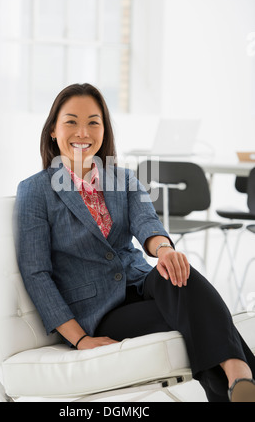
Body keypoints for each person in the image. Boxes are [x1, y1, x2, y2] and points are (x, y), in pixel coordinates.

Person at [14, 83, 255, 402]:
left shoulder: (123, 179)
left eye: (93, 122)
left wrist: (165, 251)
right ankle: (241, 375)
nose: (82, 132)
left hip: (142, 282)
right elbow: (36, 273)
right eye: (71, 121)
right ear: (53, 132)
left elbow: (147, 223)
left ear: (104, 129)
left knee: (181, 275)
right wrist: (80, 338)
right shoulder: (35, 191)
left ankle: (239, 373)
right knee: (195, 320)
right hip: (99, 310)